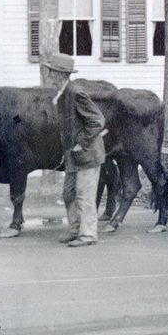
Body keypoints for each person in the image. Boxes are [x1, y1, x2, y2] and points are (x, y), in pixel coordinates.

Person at [43, 53, 107, 247]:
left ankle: (88, 235)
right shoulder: (63, 94)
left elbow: (97, 120)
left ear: (60, 74)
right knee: (69, 193)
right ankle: (75, 229)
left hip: (86, 154)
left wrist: (82, 143)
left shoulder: (76, 92)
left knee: (84, 195)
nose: (49, 76)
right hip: (72, 156)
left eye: (52, 72)